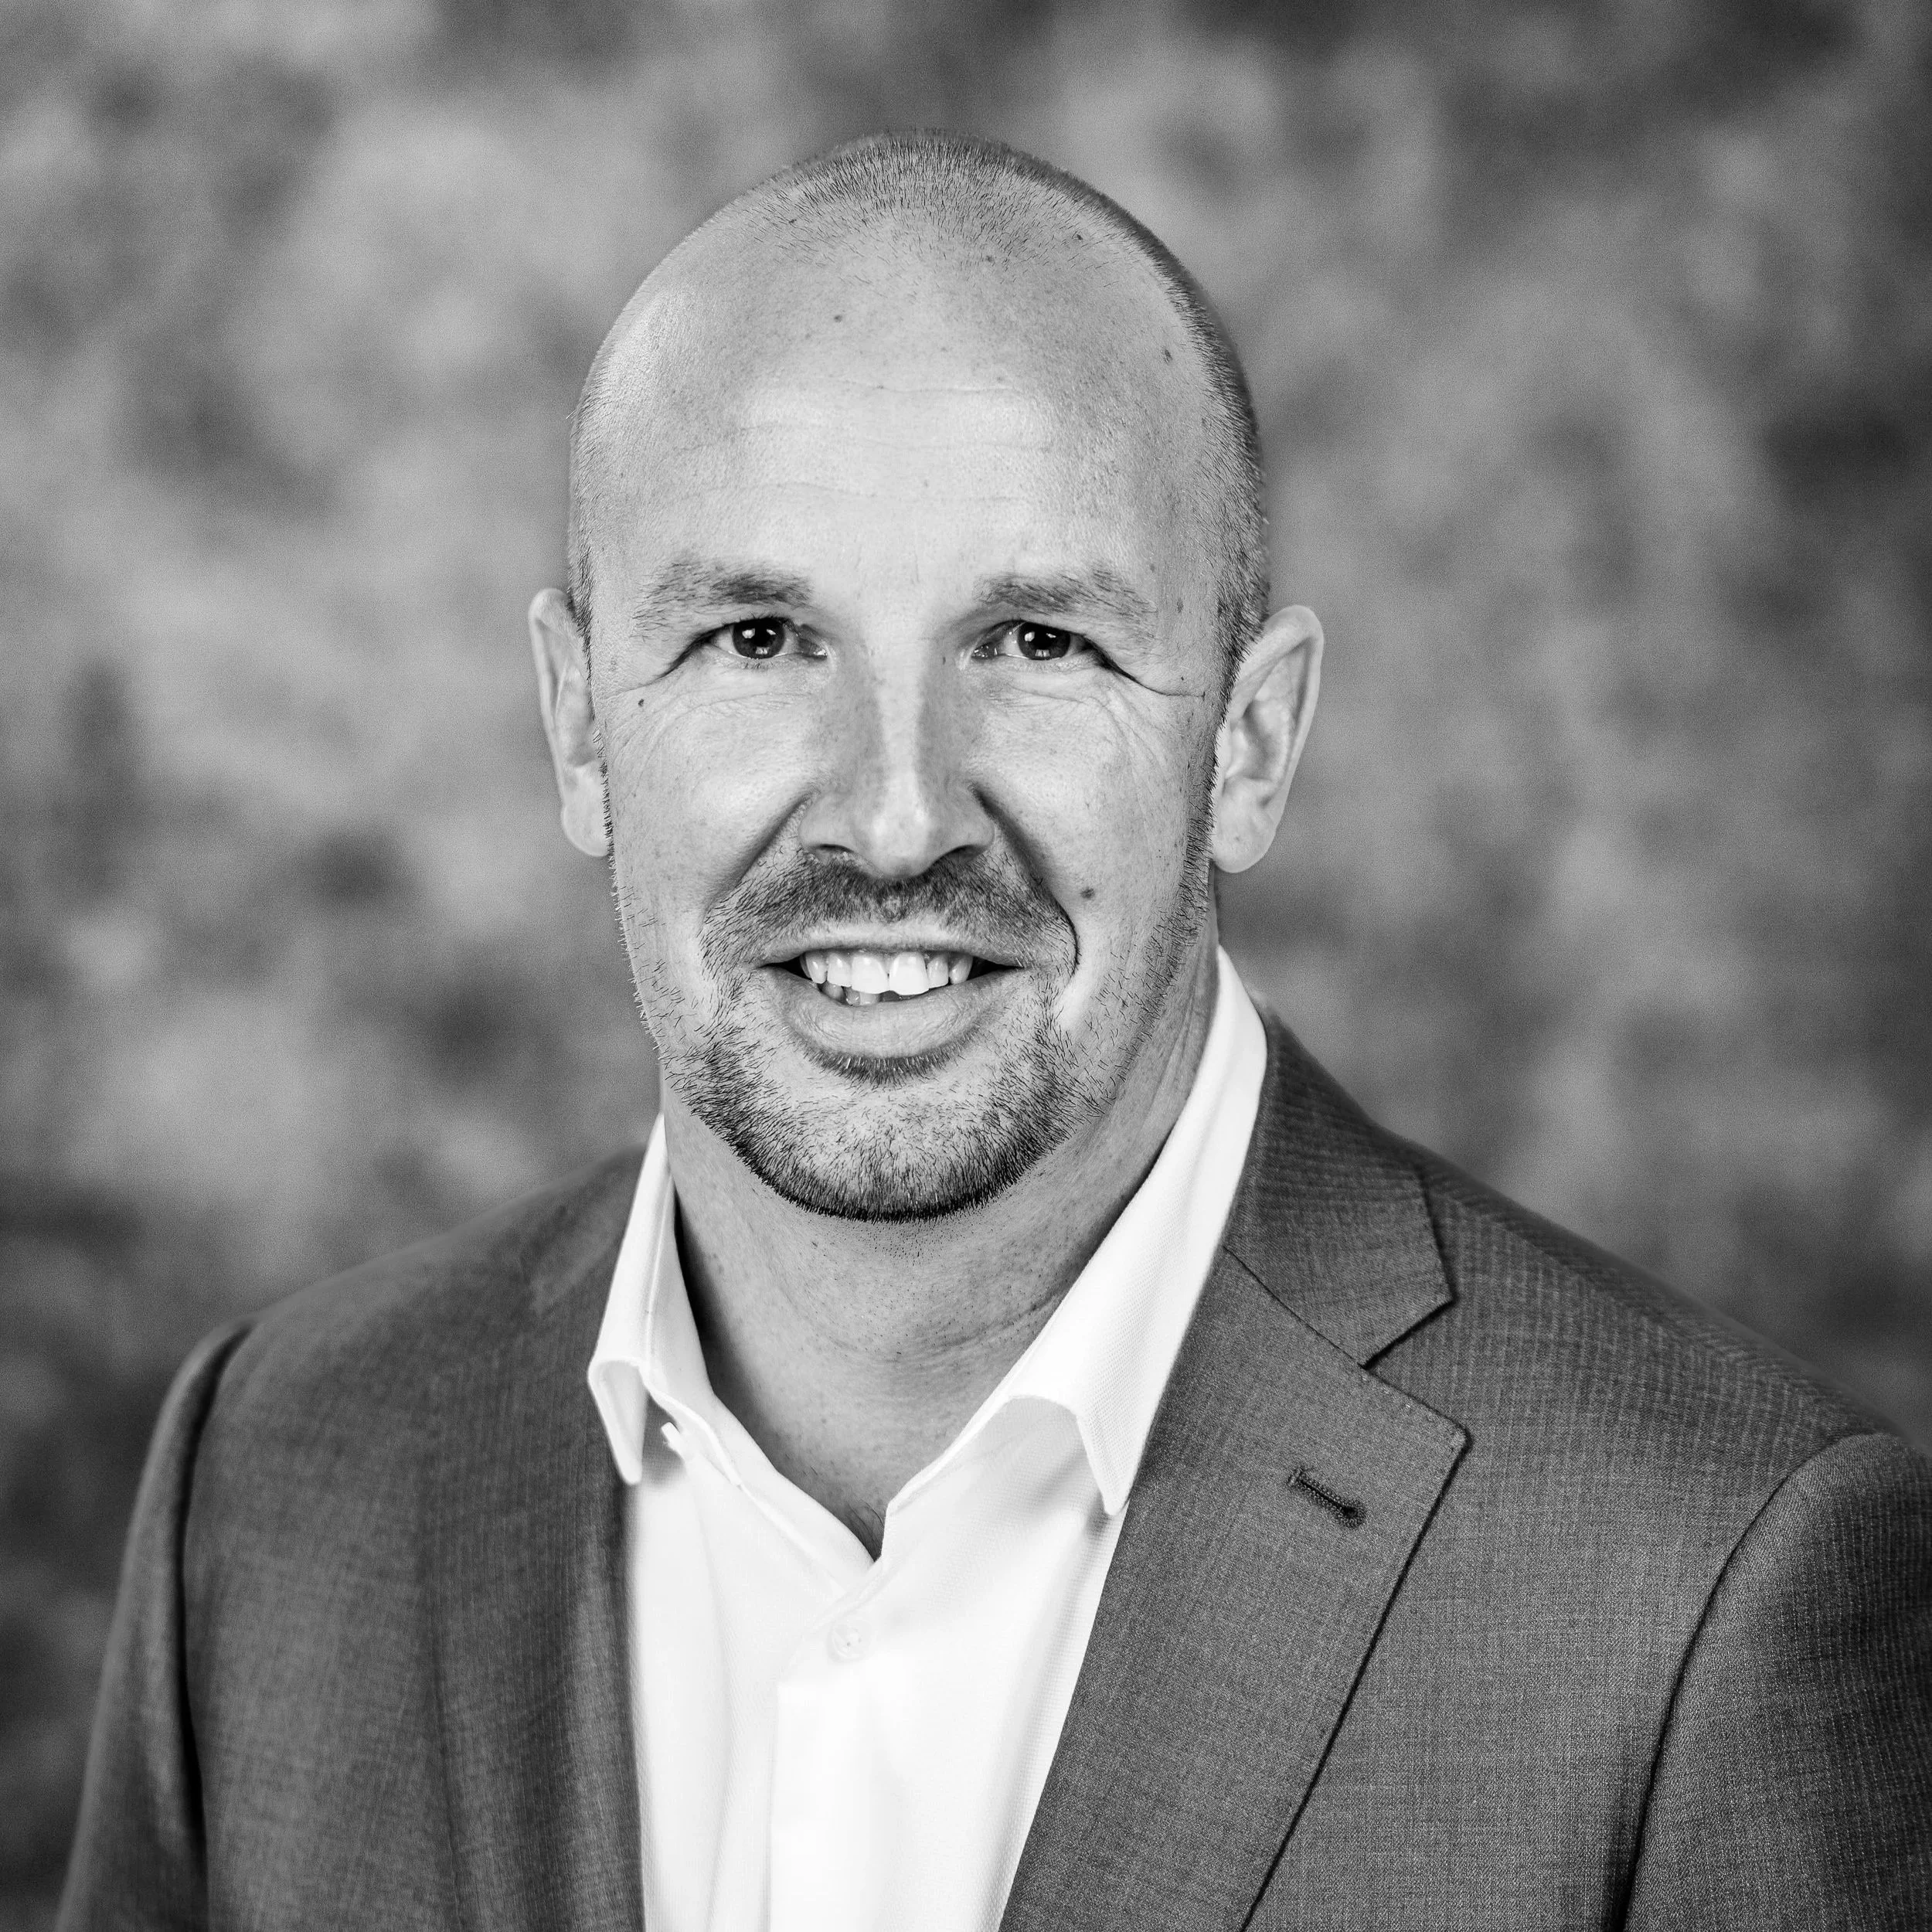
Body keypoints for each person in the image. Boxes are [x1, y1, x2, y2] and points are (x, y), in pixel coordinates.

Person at [60, 131, 1930, 1931]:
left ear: (1248, 744)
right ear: (575, 722)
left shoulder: (1710, 1587)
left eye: (1038, 643)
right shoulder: (276, 1471)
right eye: (756, 638)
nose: (894, 818)